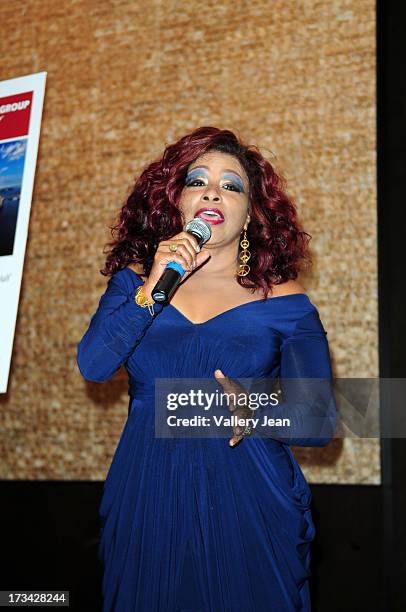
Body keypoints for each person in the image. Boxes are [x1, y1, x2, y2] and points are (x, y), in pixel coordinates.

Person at [76, 126, 336, 612]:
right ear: (176, 200)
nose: (213, 191)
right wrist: (153, 287)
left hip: (248, 499)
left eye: (232, 185)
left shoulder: (285, 300)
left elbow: (319, 420)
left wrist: (256, 410)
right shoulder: (135, 282)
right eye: (198, 181)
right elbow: (94, 365)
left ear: (251, 213)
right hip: (148, 493)